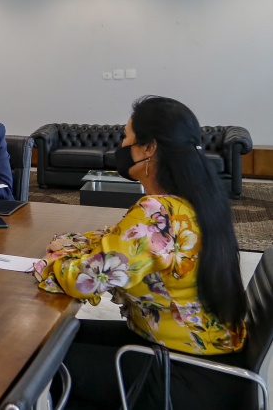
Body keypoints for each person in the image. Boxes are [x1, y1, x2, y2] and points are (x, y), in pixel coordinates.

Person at [34, 96, 248, 409]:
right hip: (211, 360)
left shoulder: (157, 211)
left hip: (183, 376)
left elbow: (87, 280)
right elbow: (122, 242)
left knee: (39, 363)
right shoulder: (197, 200)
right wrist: (77, 243)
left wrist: (50, 261)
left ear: (149, 148)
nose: (120, 145)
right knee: (59, 337)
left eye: (126, 137)